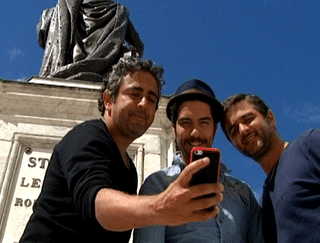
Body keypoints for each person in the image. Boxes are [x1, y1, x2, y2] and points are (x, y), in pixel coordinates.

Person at [19, 58, 224, 243]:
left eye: (152, 99)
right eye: (135, 93)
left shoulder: (130, 169)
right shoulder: (86, 136)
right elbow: (97, 204)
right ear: (108, 99)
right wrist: (162, 206)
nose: (144, 103)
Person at [221, 93, 320, 243]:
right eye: (233, 130)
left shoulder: (310, 146)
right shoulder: (262, 207)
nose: (243, 130)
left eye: (248, 119)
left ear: (270, 118)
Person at [133, 80, 263, 243]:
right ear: (174, 128)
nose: (195, 132)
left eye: (204, 122)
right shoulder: (158, 185)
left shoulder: (243, 194)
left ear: (214, 129)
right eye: (186, 123)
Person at [37, 0, 144, 81]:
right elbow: (138, 46)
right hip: (104, 72)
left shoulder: (64, 7)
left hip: (69, 67)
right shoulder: (118, 12)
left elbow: (42, 34)